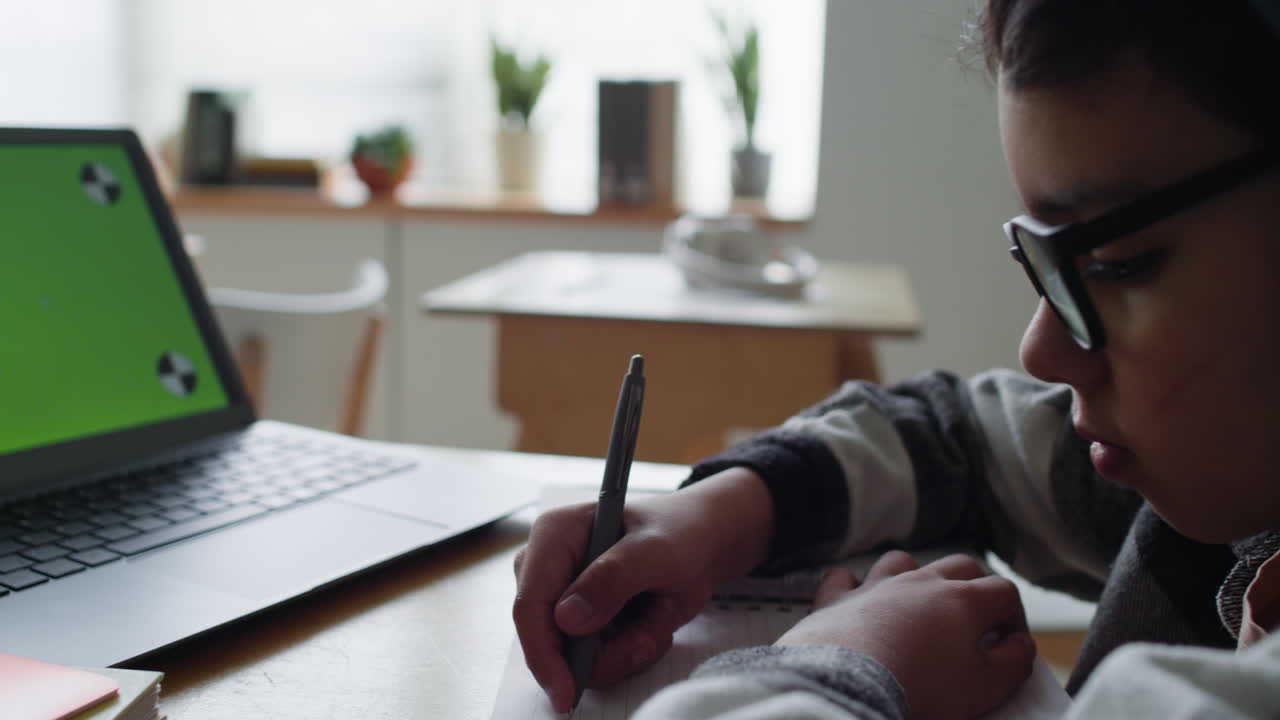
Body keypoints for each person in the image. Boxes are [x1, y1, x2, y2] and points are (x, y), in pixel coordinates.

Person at [511, 0, 1280, 717]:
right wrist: (717, 514)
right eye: (1042, 263)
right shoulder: (1224, 491)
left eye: (1114, 261)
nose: (1040, 349)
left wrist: (845, 660)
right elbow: (959, 441)